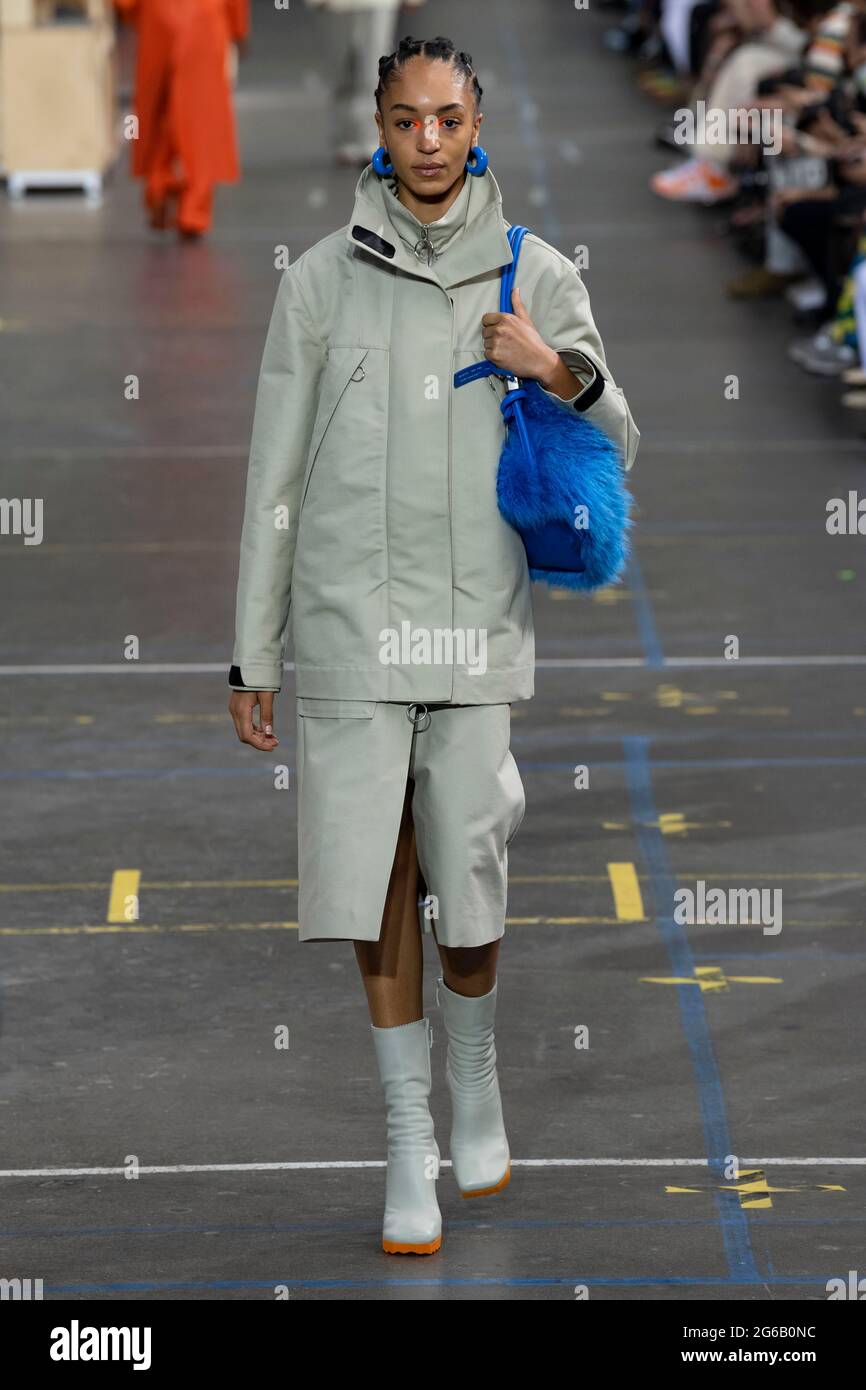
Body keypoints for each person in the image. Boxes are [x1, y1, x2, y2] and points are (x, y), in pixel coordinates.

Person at [228, 34, 639, 1256]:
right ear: (378, 120)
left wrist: (552, 367)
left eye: (445, 121)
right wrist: (255, 651)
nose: (425, 141)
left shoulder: (535, 274)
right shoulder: (314, 282)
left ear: (474, 123)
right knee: (371, 879)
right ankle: (407, 1137)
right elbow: (274, 481)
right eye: (404, 119)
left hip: (468, 628)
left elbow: (621, 435)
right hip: (352, 625)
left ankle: (478, 1078)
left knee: (468, 879)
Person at [114, 0, 250, 237]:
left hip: (156, 15)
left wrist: (131, 13)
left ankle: (159, 187)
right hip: (205, 18)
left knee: (157, 106)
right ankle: (193, 210)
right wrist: (238, 29)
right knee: (200, 117)